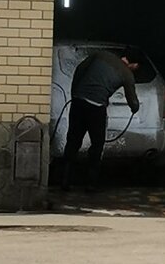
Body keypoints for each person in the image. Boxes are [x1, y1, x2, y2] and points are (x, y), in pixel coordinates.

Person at [60, 47, 141, 191]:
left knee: (73, 141)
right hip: (96, 109)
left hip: (78, 102)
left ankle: (64, 180)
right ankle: (91, 184)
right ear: (134, 64)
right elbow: (132, 100)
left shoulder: (101, 55)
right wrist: (135, 108)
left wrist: (75, 92)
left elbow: (80, 69)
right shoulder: (127, 74)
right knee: (97, 145)